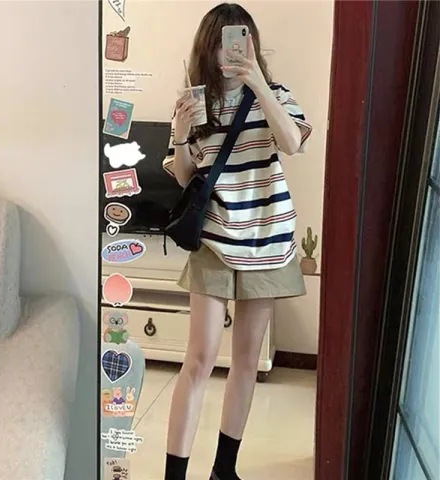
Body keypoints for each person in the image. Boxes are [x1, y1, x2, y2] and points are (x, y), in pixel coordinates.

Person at [162, 3, 312, 479]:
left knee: (246, 361)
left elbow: (292, 143)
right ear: (207, 47)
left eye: (241, 40)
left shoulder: (276, 95)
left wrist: (259, 85)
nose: (231, 51)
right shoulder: (195, 104)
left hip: (268, 239)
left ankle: (223, 471)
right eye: (223, 41)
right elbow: (184, 176)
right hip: (214, 239)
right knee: (199, 359)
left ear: (252, 45)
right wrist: (180, 135)